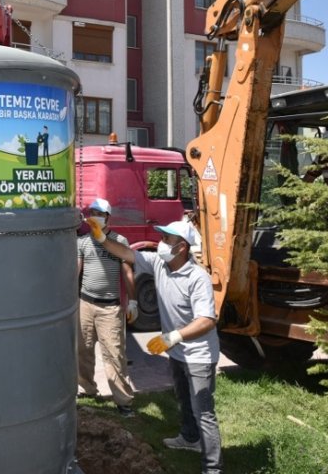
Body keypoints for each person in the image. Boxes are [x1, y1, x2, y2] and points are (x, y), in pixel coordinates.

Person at [94, 219, 222, 474]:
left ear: (182, 247)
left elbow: (207, 320)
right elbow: (127, 253)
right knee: (184, 399)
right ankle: (189, 438)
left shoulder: (198, 278)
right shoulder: (160, 264)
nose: (161, 244)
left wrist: (172, 337)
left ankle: (213, 467)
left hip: (199, 355)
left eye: (167, 239)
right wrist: (101, 239)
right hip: (177, 351)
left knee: (204, 412)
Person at [77, 198, 138, 417]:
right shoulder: (83, 241)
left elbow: (128, 271)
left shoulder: (119, 240)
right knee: (82, 350)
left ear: (108, 217)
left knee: (114, 355)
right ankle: (87, 389)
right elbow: (77, 271)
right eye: (92, 212)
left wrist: (133, 301)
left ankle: (123, 401)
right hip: (85, 302)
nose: (95, 215)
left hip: (110, 308)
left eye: (99, 213)